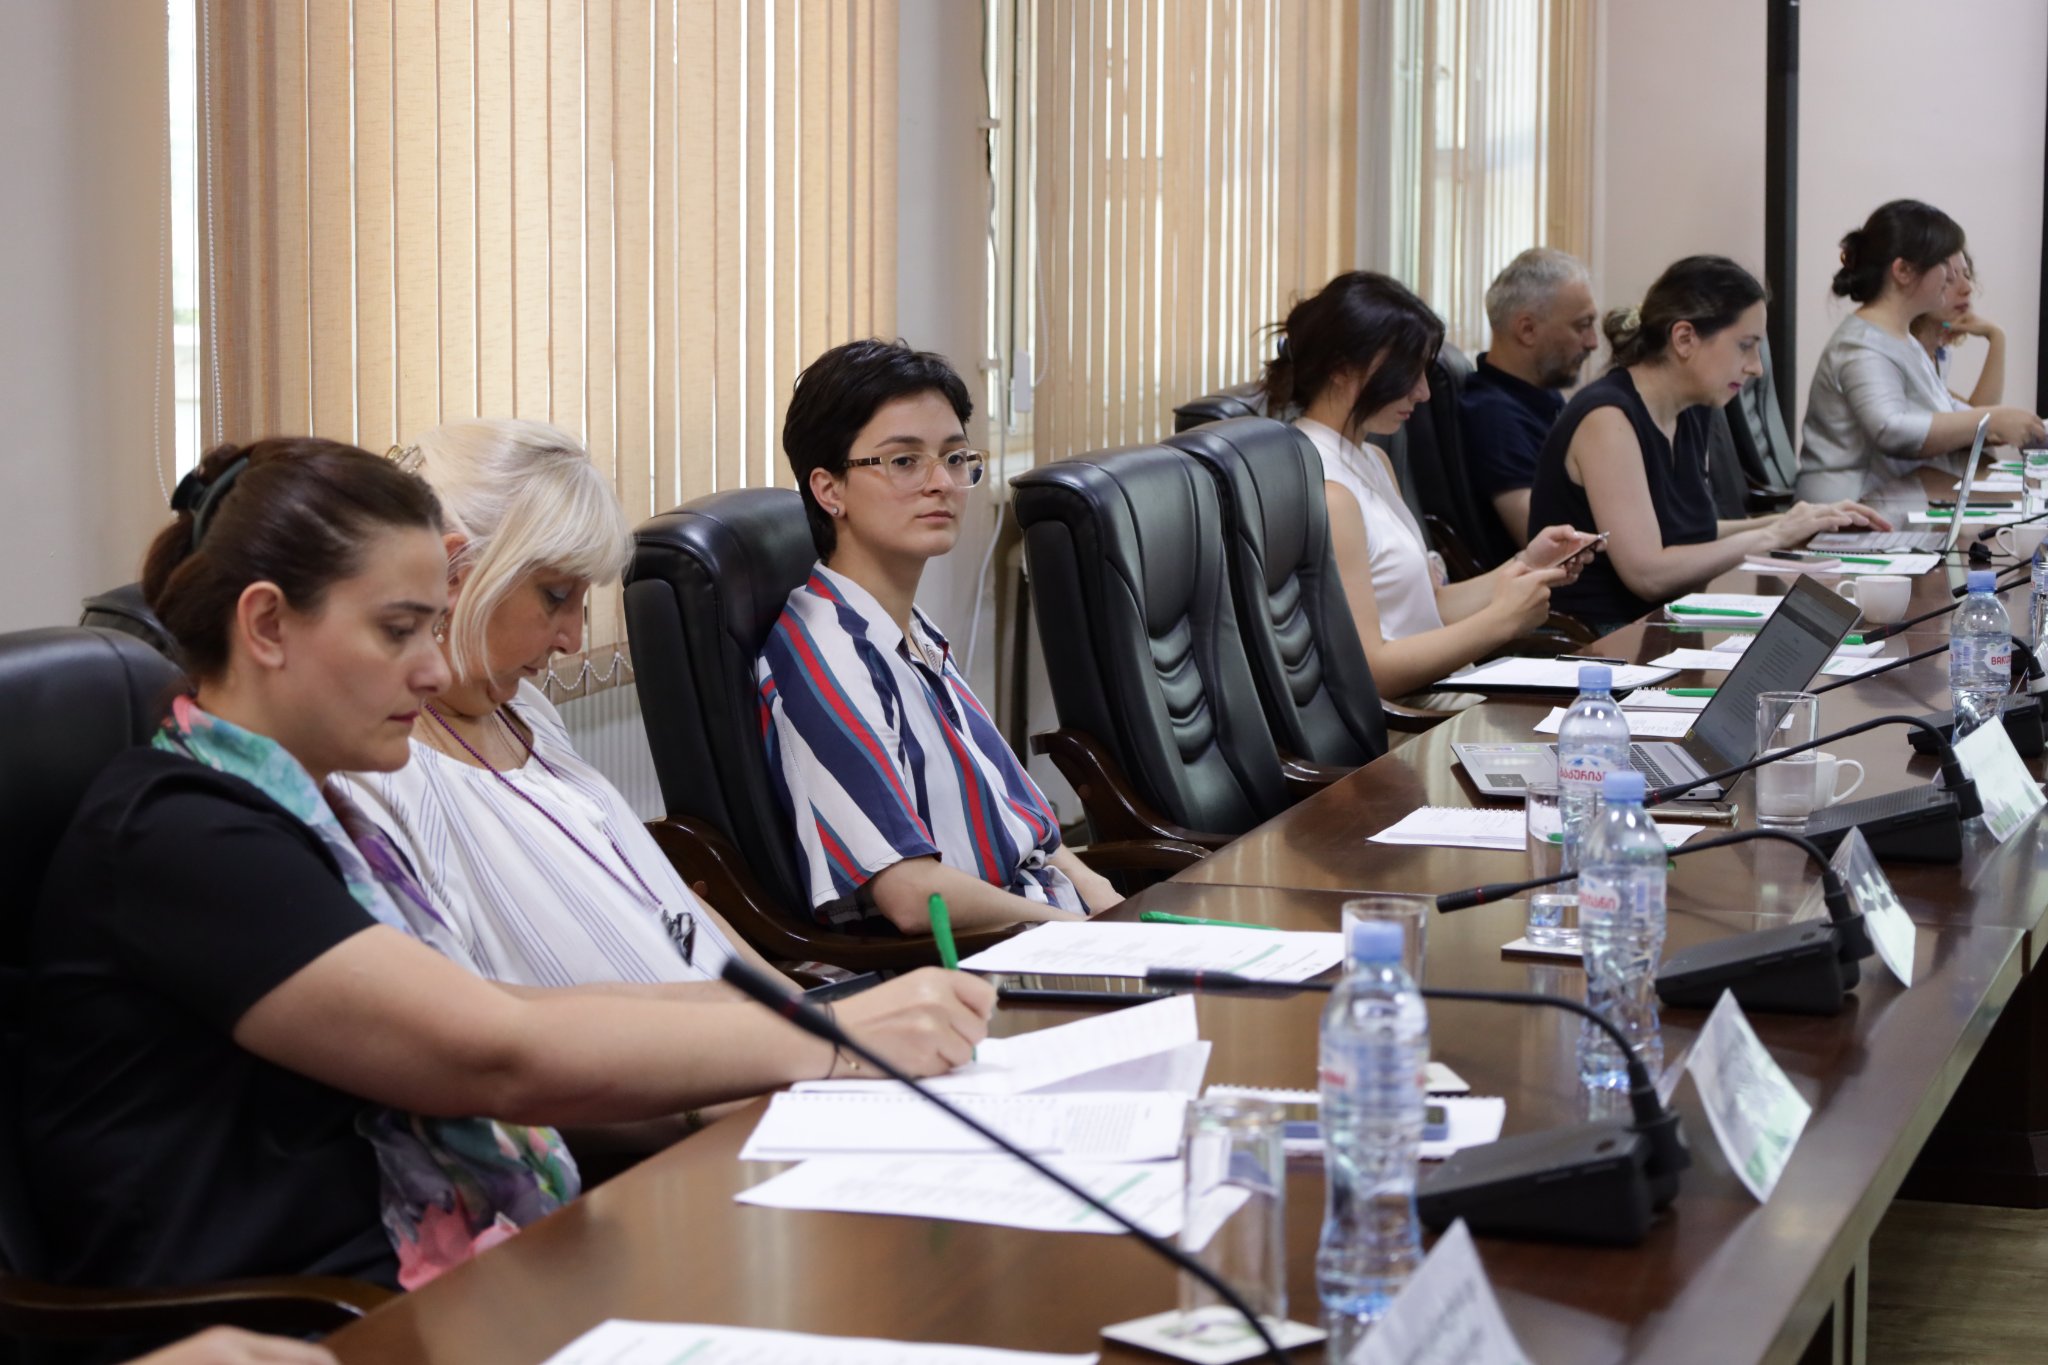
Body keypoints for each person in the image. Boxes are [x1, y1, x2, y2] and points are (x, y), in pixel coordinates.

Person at [23, 439, 992, 1301]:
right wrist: (830, 1043)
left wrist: (810, 1016)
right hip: (322, 1314)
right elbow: (493, 1049)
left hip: (429, 1276)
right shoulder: (181, 835)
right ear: (268, 625)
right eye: (398, 630)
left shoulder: (307, 803)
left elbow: (497, 1004)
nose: (431, 669)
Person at [340, 420, 783, 993]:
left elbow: (673, 907)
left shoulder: (526, 709)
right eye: (555, 596)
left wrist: (815, 1014)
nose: (572, 639)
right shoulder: (380, 780)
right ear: (454, 573)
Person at [759, 339, 1121, 933]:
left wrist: (1107, 906)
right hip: (979, 961)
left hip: (1051, 927)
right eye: (904, 461)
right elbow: (911, 894)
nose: (942, 483)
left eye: (954, 458)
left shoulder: (905, 625)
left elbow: (1033, 831)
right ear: (829, 490)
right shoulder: (825, 655)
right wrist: (1075, 934)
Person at [1261, 271, 1601, 700]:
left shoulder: (1372, 459)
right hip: (1407, 720)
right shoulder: (1328, 491)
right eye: (1407, 372)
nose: (1423, 392)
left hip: (1441, 694)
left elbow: (1428, 606)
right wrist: (1502, 621)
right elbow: (1372, 672)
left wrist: (1527, 565)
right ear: (1343, 368)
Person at [1528, 256, 1889, 631]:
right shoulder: (1607, 418)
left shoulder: (1692, 409)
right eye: (1745, 346)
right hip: (1599, 642)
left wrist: (1800, 520)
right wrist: (1772, 534)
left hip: (1665, 629)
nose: (1756, 367)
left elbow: (1693, 534)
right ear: (1684, 339)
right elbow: (1647, 574)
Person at [1798, 200, 2045, 502]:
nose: (1952, 277)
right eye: (1944, 265)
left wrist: (2004, 423)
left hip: (1893, 503)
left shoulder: (1903, 339)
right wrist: (1988, 420)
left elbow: (1946, 410)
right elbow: (1890, 429)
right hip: (1847, 512)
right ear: (1903, 271)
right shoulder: (1860, 344)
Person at [1460, 248, 1602, 545]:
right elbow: (1545, 539)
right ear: (1527, 330)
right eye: (1582, 326)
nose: (1593, 342)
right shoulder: (1493, 417)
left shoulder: (1540, 399)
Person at [1908, 251, 2008, 407]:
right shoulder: (1902, 355)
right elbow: (1980, 417)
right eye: (1949, 279)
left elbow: (1976, 415)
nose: (1967, 288)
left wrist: (1997, 337)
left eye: (1967, 276)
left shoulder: (1940, 353)